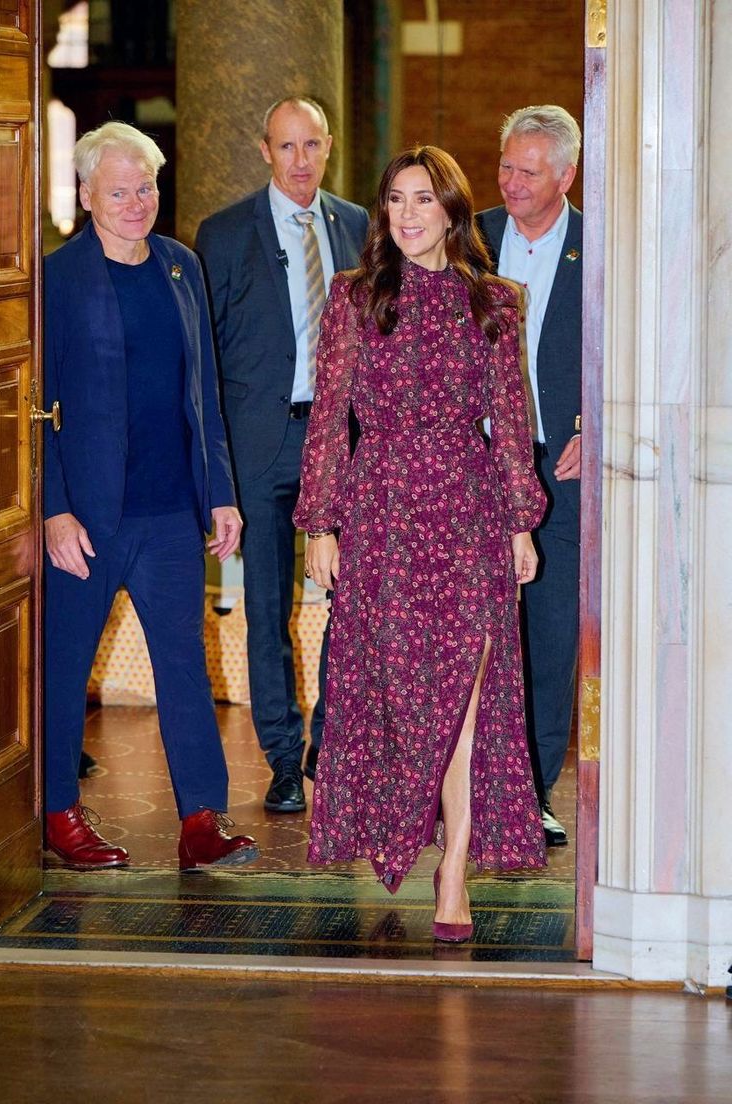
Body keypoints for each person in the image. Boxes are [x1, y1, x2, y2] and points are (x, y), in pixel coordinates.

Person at [294, 145, 547, 942]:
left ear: (451, 213)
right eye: (395, 200)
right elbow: (330, 416)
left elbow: (510, 420)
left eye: (423, 201)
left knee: (468, 701)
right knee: (398, 693)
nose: (407, 215)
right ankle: (400, 831)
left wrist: (520, 522)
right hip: (382, 514)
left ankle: (455, 869)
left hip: (468, 512)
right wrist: (320, 524)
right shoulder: (355, 297)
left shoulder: (495, 302)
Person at [43, 121, 257, 873]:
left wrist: (221, 493)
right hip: (88, 518)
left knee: (184, 668)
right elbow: (35, 403)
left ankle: (202, 818)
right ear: (85, 194)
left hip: (171, 511)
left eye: (147, 188)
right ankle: (57, 811)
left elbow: (206, 392)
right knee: (63, 667)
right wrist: (52, 508)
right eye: (120, 191)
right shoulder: (56, 278)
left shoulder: (180, 267)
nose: (137, 203)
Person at [196, 97, 368, 814]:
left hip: (347, 448)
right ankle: (281, 758)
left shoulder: (359, 226)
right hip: (260, 446)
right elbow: (202, 360)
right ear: (264, 149)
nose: (301, 162)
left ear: (329, 147)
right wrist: (217, 473)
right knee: (268, 610)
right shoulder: (225, 232)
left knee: (349, 604)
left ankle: (328, 739)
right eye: (287, 147)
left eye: (313, 146)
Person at [476, 105, 582, 847]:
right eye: (506, 166)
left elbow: (640, 342)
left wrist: (595, 421)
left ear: (567, 176)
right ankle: (462, 787)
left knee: (545, 632)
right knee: (468, 632)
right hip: (470, 462)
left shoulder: (604, 244)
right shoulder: (470, 238)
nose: (510, 182)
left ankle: (533, 792)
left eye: (528, 171)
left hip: (559, 463)